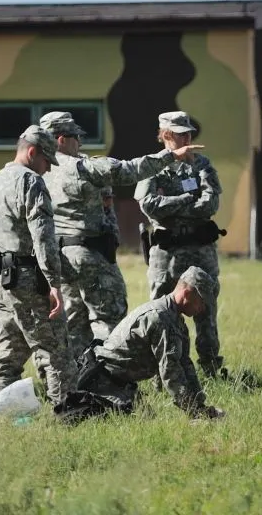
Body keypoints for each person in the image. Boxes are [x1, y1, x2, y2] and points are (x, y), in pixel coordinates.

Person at [39, 111, 203, 357]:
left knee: (74, 325)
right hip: (90, 255)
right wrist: (170, 156)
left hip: (60, 259)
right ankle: (110, 382)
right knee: (110, 322)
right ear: (61, 139)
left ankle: (77, 383)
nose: (80, 142)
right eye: (75, 136)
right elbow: (128, 170)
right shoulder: (81, 167)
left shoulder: (39, 172)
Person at [0, 124, 77, 406]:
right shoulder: (29, 182)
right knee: (55, 350)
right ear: (32, 152)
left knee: (7, 354)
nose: (48, 169)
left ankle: (3, 415)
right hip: (29, 279)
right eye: (46, 161)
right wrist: (54, 282)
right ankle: (66, 415)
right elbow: (43, 237)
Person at [55, 266, 227, 424]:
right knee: (134, 422)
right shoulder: (161, 318)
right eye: (202, 302)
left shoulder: (175, 320)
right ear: (187, 293)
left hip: (120, 383)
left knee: (147, 420)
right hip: (101, 381)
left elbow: (185, 364)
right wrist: (194, 412)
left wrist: (200, 406)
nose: (203, 309)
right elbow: (170, 371)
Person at [134, 111, 227, 379]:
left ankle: (211, 369)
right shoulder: (153, 166)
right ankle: (163, 373)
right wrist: (187, 199)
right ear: (165, 136)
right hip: (167, 253)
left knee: (206, 310)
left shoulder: (202, 165)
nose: (187, 138)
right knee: (161, 311)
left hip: (200, 248)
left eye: (188, 133)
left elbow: (210, 204)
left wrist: (172, 205)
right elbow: (149, 207)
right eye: (179, 134)